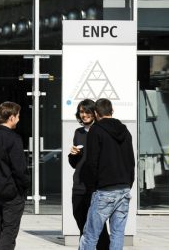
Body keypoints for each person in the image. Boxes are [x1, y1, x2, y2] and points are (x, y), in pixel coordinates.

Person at [79, 98, 135, 250]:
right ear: (112, 111)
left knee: (90, 235)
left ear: (96, 113)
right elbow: (131, 162)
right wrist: (128, 184)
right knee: (117, 234)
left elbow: (92, 163)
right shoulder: (125, 131)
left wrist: (93, 187)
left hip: (104, 190)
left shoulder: (95, 131)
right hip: (124, 189)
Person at [0, 101, 31, 250]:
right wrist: (25, 186)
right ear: (11, 117)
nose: (19, 119)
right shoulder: (14, 139)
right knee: (9, 232)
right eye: (18, 116)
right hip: (12, 194)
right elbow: (19, 169)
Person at [68, 99, 110, 250]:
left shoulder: (99, 131)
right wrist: (73, 155)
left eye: (87, 112)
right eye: (81, 112)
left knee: (99, 228)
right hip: (79, 186)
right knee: (82, 224)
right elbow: (74, 164)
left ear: (94, 113)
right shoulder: (78, 133)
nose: (84, 115)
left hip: (95, 187)